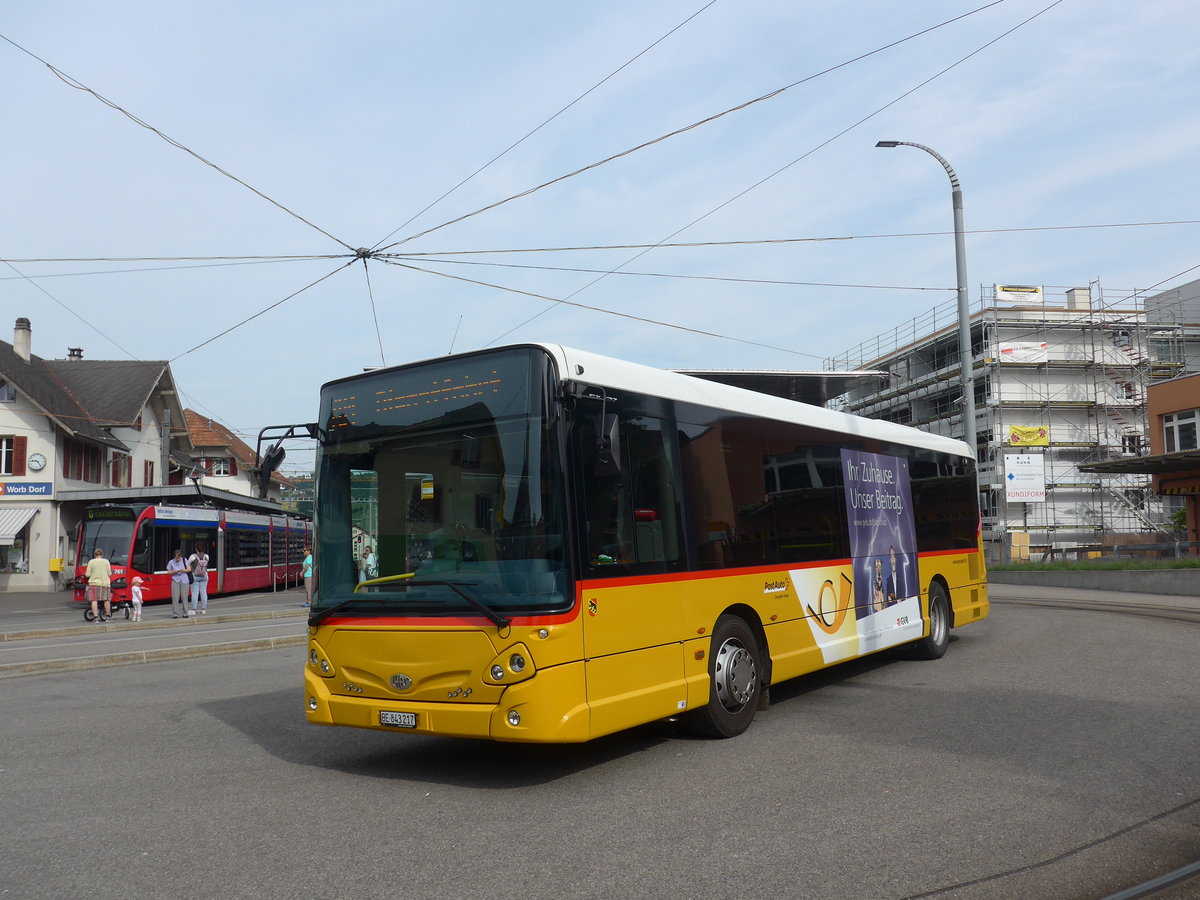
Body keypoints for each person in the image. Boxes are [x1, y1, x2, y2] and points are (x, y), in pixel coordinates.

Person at [85, 547, 113, 623]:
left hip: (94, 583)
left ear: (94, 554)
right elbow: (109, 573)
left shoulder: (91, 562)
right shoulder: (106, 561)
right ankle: (108, 617)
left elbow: (87, 574)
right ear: (102, 554)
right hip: (105, 583)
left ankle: (96, 618)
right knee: (106, 600)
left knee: (94, 600)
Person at [188, 542, 211, 615]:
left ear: (196, 548)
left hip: (195, 576)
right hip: (204, 576)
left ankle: (193, 610)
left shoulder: (193, 556)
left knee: (195, 593)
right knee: (203, 592)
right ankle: (203, 609)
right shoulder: (206, 556)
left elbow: (187, 565)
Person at [167, 549, 190, 618]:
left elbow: (189, 569)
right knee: (175, 598)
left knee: (184, 597)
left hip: (184, 580)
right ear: (174, 556)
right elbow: (168, 572)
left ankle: (185, 613)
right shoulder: (171, 562)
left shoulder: (184, 560)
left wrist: (183, 570)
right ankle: (175, 614)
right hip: (175, 580)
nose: (178, 559)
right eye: (177, 557)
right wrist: (174, 572)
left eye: (179, 557)